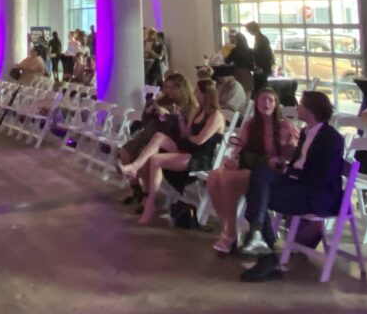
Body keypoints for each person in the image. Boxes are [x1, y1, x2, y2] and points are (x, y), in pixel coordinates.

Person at [239, 90, 344, 275]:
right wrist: (287, 167)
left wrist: (292, 172)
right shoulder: (305, 132)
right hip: (297, 182)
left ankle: (265, 249)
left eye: (301, 105)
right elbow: (299, 162)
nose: (297, 108)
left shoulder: (331, 139)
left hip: (317, 194)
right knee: (260, 173)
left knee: (257, 193)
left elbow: (321, 177)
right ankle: (262, 242)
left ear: (311, 110)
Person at [120, 79, 226, 224]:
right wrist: (179, 118)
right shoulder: (198, 111)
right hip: (188, 147)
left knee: (156, 159)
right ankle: (134, 167)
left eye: (197, 91)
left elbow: (200, 140)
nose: (194, 93)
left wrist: (187, 136)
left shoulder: (216, 116)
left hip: (200, 156)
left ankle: (150, 204)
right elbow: (185, 134)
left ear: (205, 94)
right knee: (158, 137)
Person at [208, 87, 299, 254]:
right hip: (249, 166)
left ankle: (230, 234)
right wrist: (233, 160)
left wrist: (280, 158)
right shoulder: (251, 125)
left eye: (270, 100)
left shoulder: (285, 126)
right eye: (263, 99)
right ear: (256, 104)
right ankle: (228, 228)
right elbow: (239, 149)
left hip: (267, 173)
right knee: (214, 177)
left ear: (276, 104)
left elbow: (293, 156)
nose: (266, 103)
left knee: (228, 180)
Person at [246, 21, 274, 92]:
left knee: (260, 87)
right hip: (263, 67)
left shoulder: (261, 40)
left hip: (262, 68)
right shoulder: (260, 38)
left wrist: (260, 67)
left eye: (249, 30)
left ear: (252, 30)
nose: (248, 32)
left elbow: (264, 55)